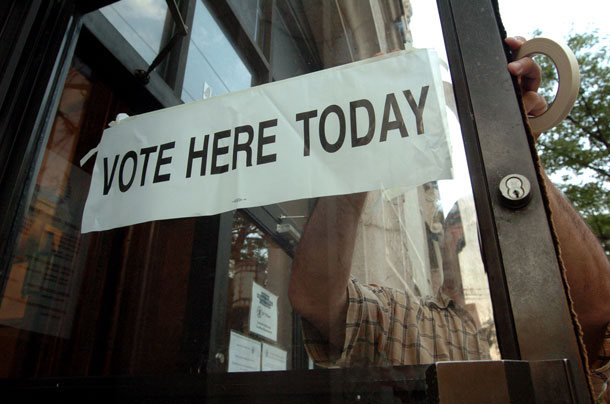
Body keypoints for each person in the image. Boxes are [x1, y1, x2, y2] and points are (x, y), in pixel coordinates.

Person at [288, 37, 610, 400]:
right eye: (457, 230)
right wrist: (363, 145)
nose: (464, 240)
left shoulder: (536, 313)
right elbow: (317, 300)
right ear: (443, 240)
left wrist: (510, 142)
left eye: (476, 229)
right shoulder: (414, 321)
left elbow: (597, 321)